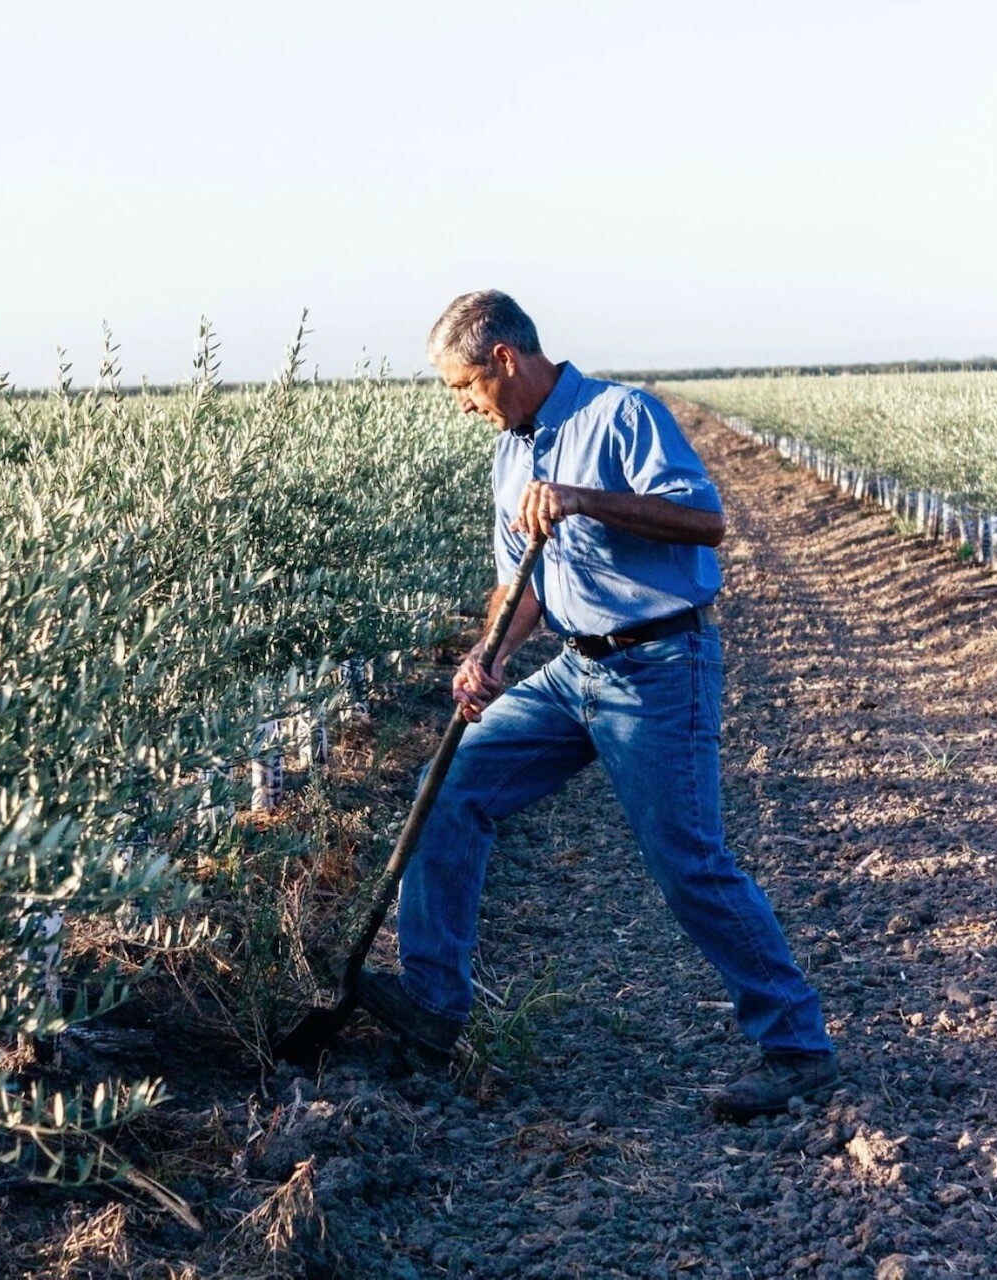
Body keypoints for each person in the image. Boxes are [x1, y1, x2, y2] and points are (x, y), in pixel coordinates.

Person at [356, 290, 837, 1120]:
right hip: (573, 671)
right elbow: (519, 586)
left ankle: (799, 1049)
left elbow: (706, 520)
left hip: (659, 669)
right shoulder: (509, 454)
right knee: (449, 790)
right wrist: (487, 656)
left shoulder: (622, 415)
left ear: (504, 359)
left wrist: (582, 498)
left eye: (464, 386)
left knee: (688, 861)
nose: (462, 404)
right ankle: (431, 1008)